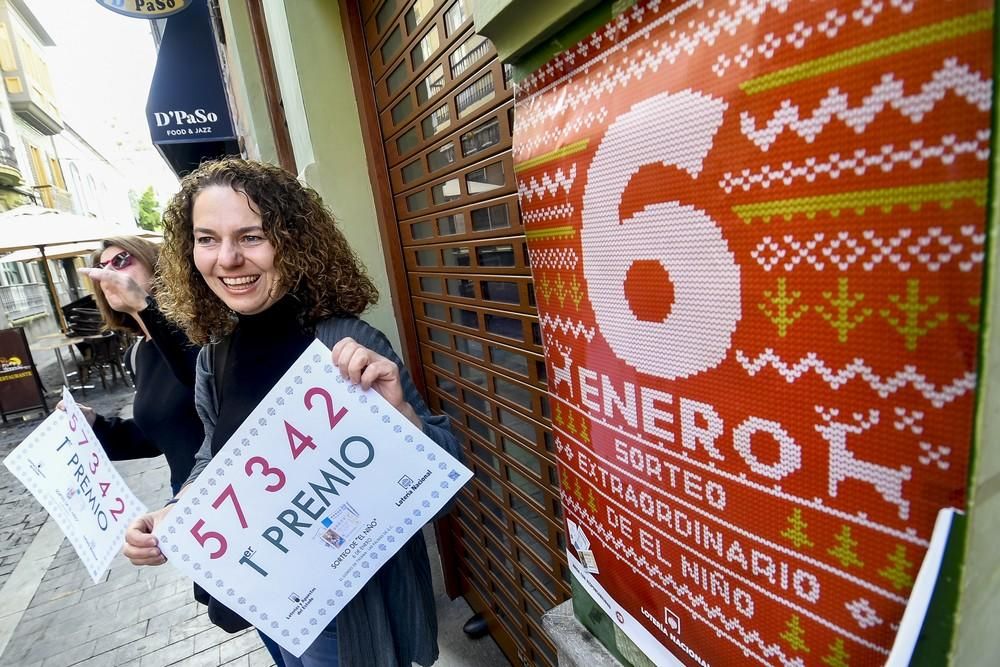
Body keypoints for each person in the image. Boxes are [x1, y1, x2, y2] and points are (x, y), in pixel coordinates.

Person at [122, 158, 461, 667]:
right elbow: (212, 458)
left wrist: (402, 421)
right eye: (207, 239)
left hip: (350, 610)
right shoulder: (216, 355)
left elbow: (442, 478)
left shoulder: (343, 344)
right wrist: (176, 515)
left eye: (251, 236)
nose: (227, 259)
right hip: (269, 600)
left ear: (292, 241)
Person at [69, 237, 287, 667]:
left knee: (301, 622)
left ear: (155, 262)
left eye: (122, 258)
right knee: (274, 633)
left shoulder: (211, 330)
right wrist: (95, 426)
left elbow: (208, 392)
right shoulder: (141, 352)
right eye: (103, 266)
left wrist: (148, 307)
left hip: (252, 501)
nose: (112, 268)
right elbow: (158, 436)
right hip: (195, 511)